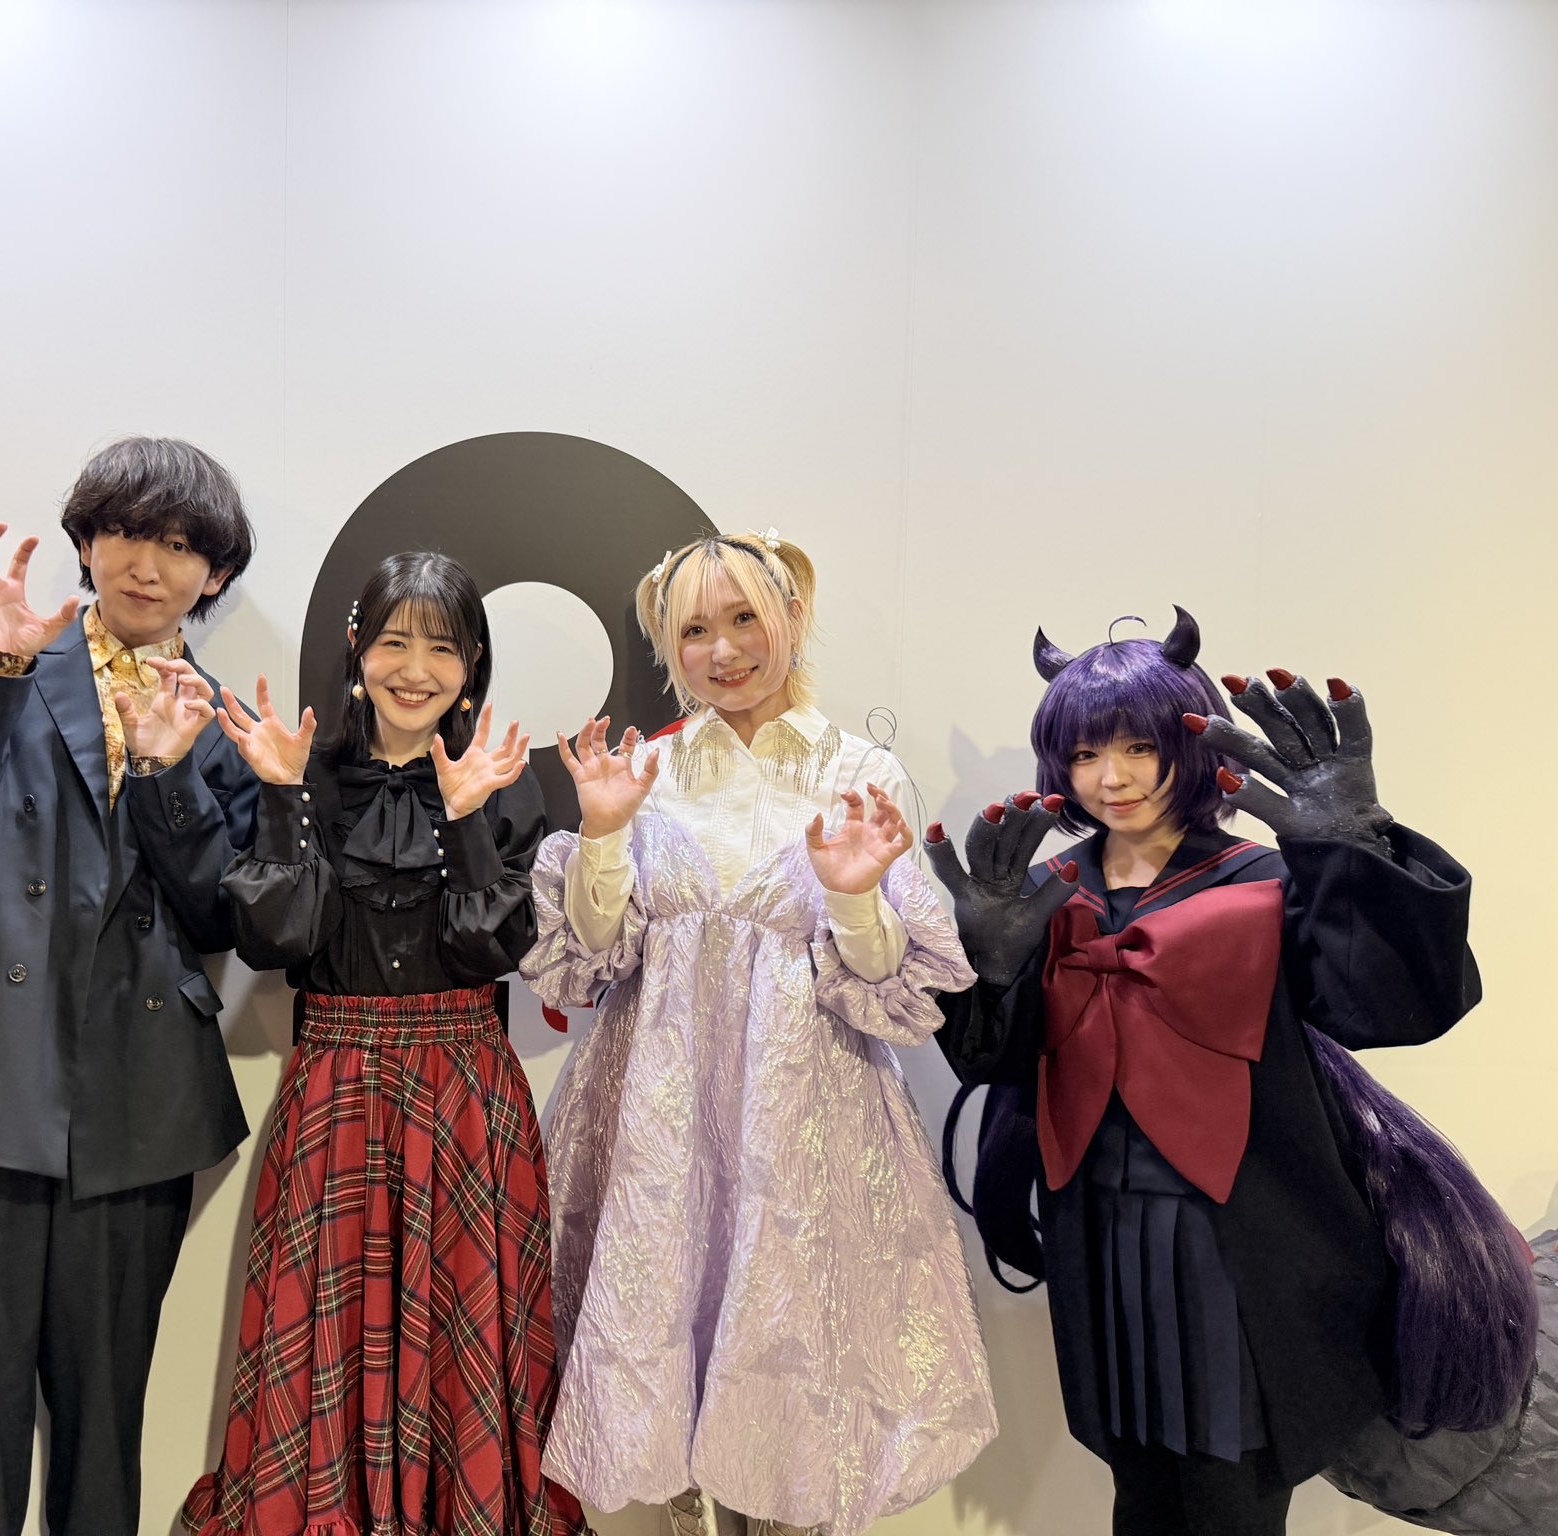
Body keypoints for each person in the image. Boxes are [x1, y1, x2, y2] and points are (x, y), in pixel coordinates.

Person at [929, 609, 1491, 1535]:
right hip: (1099, 1232)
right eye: (1084, 754)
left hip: (1243, 1240)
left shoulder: (1265, 880)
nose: (1111, 778)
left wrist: (1350, 851)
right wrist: (985, 963)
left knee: (1230, 1484)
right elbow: (997, 1060)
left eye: (1139, 747)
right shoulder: (1040, 894)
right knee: (1139, 1478)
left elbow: (1391, 1007)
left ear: (1188, 745)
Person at [521, 530, 995, 1536]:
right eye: (695, 631)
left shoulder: (855, 768)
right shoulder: (646, 771)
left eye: (745, 620)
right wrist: (601, 835)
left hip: (805, 1126)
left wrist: (854, 896)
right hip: (661, 1126)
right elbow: (592, 959)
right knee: (670, 1392)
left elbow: (890, 988)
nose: (724, 651)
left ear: (791, 618)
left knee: (794, 1398)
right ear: (668, 646)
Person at [0, 436, 260, 1536]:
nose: (146, 564)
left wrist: (169, 772)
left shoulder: (220, 717)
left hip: (137, 1102)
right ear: (86, 542)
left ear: (215, 573)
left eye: (179, 545)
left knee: (102, 1433)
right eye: (124, 531)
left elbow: (226, 918)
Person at [180, 550, 583, 1536]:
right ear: (357, 647)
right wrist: (283, 795)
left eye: (441, 648)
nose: (415, 669)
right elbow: (279, 940)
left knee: (468, 1324)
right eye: (395, 641)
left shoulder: (505, 782)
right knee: (321, 1321)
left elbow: (493, 949)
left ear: (472, 664)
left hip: (467, 1089)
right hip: (336, 1085)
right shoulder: (304, 770)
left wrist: (467, 818)